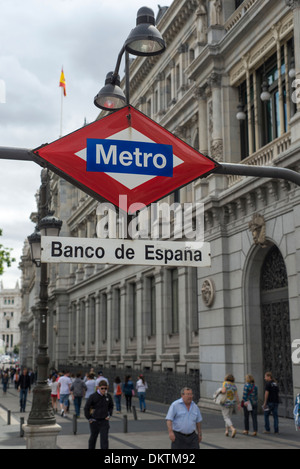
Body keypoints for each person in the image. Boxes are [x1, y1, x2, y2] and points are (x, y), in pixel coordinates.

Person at [84, 380, 114, 450]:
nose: (104, 390)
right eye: (102, 388)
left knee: (104, 439)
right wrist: (89, 418)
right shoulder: (93, 396)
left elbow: (111, 406)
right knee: (93, 438)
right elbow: (86, 408)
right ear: (98, 388)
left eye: (105, 388)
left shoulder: (108, 396)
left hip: (104, 421)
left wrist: (109, 414)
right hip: (94, 421)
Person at [220, 374, 241, 438]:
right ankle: (227, 431)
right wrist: (238, 404)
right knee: (228, 417)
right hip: (232, 402)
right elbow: (236, 395)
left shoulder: (225, 383)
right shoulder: (234, 385)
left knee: (226, 417)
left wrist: (220, 391)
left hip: (225, 402)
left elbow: (223, 391)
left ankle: (232, 429)